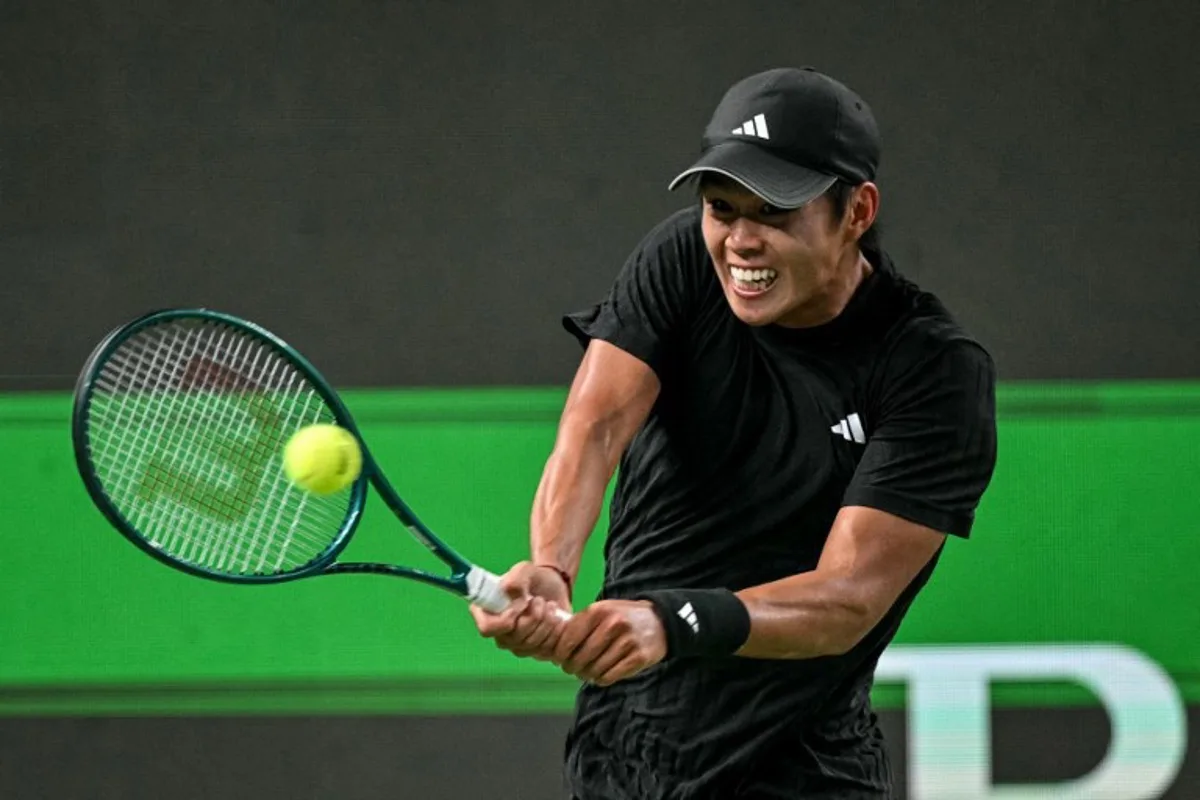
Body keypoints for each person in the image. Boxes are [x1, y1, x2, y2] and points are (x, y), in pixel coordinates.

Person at [472, 66, 998, 800]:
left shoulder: (931, 370)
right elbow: (594, 429)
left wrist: (677, 618)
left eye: (776, 214)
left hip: (800, 768)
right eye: (722, 209)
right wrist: (552, 570)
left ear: (857, 212)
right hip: (624, 751)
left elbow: (847, 599)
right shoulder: (681, 260)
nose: (740, 242)